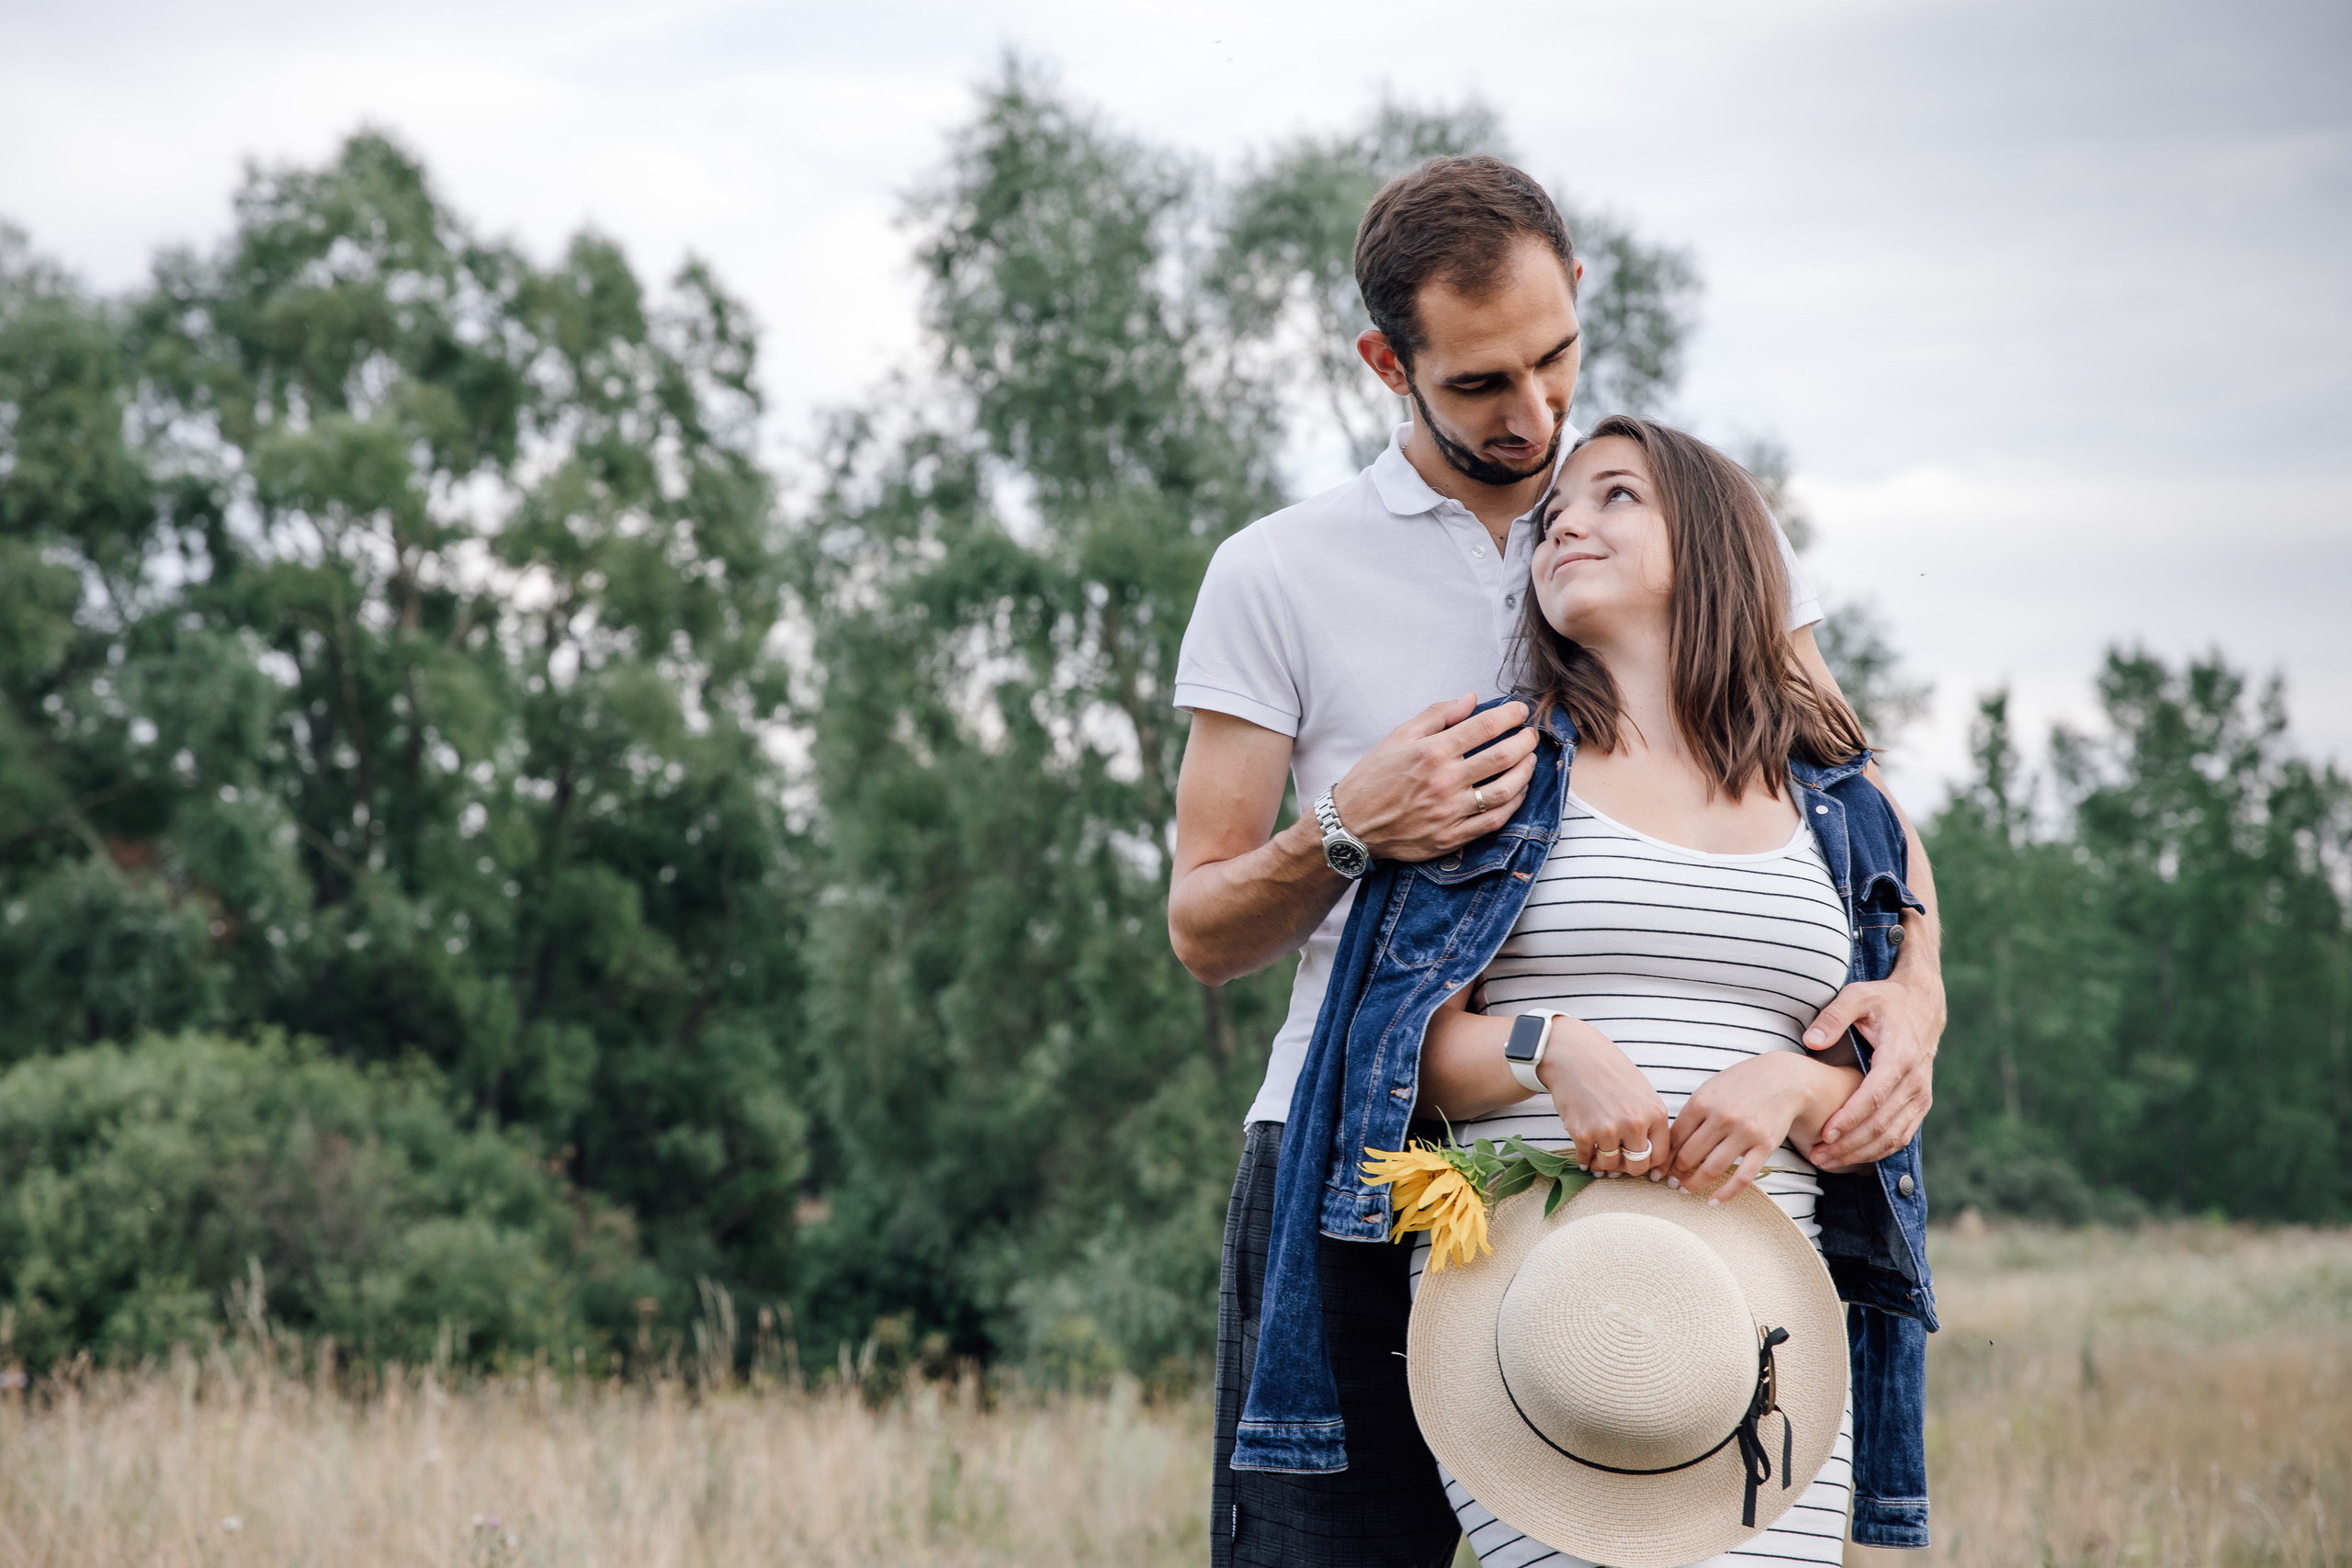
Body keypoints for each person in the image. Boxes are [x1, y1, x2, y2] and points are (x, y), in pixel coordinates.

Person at [1169, 155, 1946, 1568]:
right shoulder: (1277, 572)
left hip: (1665, 1187)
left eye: (1555, 358)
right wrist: (1349, 823)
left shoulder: (1681, 522)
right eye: (1477, 386)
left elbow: (1852, 800)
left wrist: (1921, 999)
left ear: (1579, 296)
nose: (1532, 417)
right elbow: (1205, 926)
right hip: (1359, 1155)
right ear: (1383, 363)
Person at [1399, 413, 1925, 1564]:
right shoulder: (1501, 771)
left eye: (1615, 496)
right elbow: (1407, 1061)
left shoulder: (1827, 805)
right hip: (1551, 1325)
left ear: (1718, 547)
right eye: (1552, 515)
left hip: (1761, 1329)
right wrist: (1550, 1045)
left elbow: (1871, 1086)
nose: (1565, 523)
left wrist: (1796, 1085)